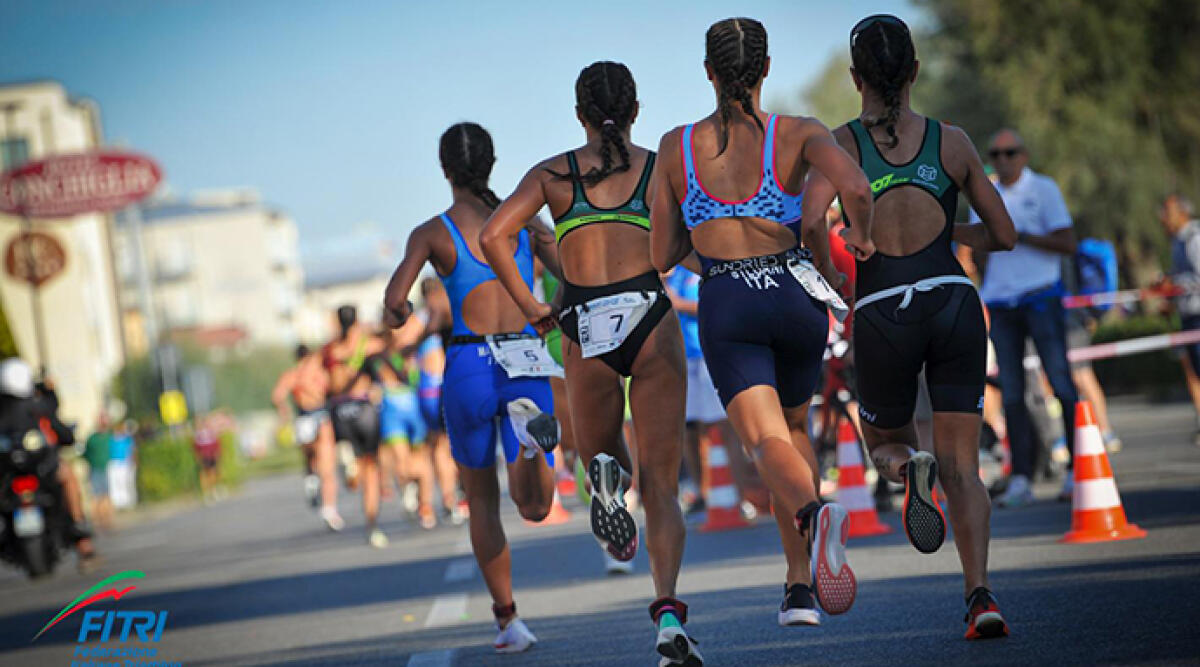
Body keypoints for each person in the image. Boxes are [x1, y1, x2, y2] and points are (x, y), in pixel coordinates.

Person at [652, 16, 874, 641]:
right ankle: (799, 585)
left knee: (764, 441)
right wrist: (861, 239)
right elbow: (856, 186)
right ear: (767, 68)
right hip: (796, 294)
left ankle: (813, 512)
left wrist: (715, 260)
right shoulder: (800, 132)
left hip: (730, 300)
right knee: (794, 432)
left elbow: (662, 251)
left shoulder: (677, 146)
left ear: (708, 72)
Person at [479, 62, 696, 663]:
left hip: (584, 321)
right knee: (662, 485)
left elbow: (494, 236)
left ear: (579, 115)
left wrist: (533, 307)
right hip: (650, 315)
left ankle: (607, 478)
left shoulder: (551, 175)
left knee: (606, 457)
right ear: (636, 110)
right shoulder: (658, 168)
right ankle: (668, 613)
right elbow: (690, 245)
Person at [809, 13, 1017, 639]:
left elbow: (810, 223)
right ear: (916, 72)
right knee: (965, 468)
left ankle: (908, 471)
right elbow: (1004, 235)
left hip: (881, 308)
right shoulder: (951, 142)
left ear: (856, 79)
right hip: (953, 301)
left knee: (884, 446)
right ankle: (980, 597)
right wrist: (945, 231)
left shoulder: (841, 145)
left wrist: (835, 277)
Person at [383, 122, 562, 654]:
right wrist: (552, 307)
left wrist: (401, 314)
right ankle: (528, 446)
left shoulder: (432, 233)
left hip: (467, 364)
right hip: (525, 357)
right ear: (493, 162)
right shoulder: (524, 222)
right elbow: (572, 273)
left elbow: (394, 304)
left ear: (445, 170)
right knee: (535, 509)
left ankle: (508, 621)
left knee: (482, 502)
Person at [971, 127, 1080, 506]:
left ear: (1024, 155)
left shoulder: (1043, 189)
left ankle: (1078, 470)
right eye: (995, 154)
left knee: (1061, 383)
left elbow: (1068, 243)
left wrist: (1020, 236)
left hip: (1041, 296)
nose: (1002, 160)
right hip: (1002, 302)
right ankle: (1021, 477)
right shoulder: (985, 193)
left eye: (1010, 152)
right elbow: (979, 248)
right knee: (1012, 393)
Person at [0, 358, 98, 569]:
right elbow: (61, 429)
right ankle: (82, 538)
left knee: (67, 475)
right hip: (13, 473)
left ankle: (80, 531)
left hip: (40, 470)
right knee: (67, 475)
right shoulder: (35, 406)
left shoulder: (38, 407)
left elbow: (58, 428)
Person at [322, 305, 388, 547]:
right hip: (364, 406)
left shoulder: (330, 349)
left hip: (340, 408)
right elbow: (389, 353)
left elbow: (321, 379)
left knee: (354, 474)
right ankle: (372, 525)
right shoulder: (369, 344)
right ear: (357, 320)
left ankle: (348, 462)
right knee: (371, 469)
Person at [272, 344, 343, 528]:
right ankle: (316, 486)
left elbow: (277, 396)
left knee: (323, 462)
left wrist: (284, 409)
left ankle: (326, 503)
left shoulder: (310, 374)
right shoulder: (299, 374)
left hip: (316, 416)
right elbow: (278, 395)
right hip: (310, 416)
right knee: (317, 459)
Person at [1160, 194, 1200, 445]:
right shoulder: (1177, 241)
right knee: (1194, 372)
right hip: (1187, 316)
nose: (1163, 218)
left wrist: (1174, 285)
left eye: (1168, 212)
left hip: (1198, 316)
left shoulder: (1194, 238)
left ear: (1183, 212)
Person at [81, 413, 114, 531]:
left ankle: (107, 521)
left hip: (107, 468)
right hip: (95, 469)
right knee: (97, 496)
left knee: (106, 495)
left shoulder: (110, 436)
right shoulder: (92, 439)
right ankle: (97, 521)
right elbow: (85, 454)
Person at [193, 414, 222, 504]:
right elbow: (196, 448)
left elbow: (216, 443)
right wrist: (198, 457)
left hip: (211, 456)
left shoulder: (210, 432)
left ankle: (213, 490)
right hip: (204, 457)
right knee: (204, 475)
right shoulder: (197, 435)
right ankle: (207, 493)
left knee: (213, 474)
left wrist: (217, 453)